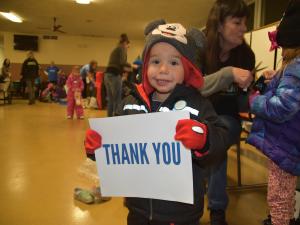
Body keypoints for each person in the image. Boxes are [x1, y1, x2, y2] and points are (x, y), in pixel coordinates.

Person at [85, 19, 230, 225]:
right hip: (138, 210)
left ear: (188, 69)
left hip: (181, 213)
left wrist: (205, 138)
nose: (163, 69)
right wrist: (97, 148)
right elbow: (116, 151)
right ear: (145, 66)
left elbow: (221, 141)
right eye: (155, 61)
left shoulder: (197, 105)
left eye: (173, 62)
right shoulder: (129, 104)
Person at [199, 1, 256, 224]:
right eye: (237, 22)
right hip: (196, 114)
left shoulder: (246, 56)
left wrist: (259, 87)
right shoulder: (199, 48)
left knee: (216, 139)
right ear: (220, 25)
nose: (244, 28)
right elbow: (193, 87)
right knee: (206, 137)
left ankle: (216, 209)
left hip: (227, 119)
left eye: (246, 22)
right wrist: (228, 74)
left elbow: (243, 101)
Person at [247, 1, 300, 225]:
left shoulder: (296, 67)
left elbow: (281, 108)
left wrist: (254, 100)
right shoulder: (292, 68)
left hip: (285, 143)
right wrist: (273, 80)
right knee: (286, 194)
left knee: (278, 197)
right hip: (290, 141)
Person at [104, 33, 129, 117]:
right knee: (117, 99)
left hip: (107, 75)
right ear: (125, 43)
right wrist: (131, 67)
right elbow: (122, 63)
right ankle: (116, 118)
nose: (127, 47)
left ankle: (109, 118)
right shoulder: (121, 49)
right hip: (114, 75)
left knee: (111, 100)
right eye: (127, 45)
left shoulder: (116, 49)